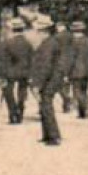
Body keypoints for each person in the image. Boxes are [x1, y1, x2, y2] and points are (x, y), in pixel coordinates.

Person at [29, 16, 67, 145]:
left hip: (50, 79)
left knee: (46, 105)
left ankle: (53, 136)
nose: (37, 34)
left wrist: (38, 83)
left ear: (44, 31)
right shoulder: (51, 42)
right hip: (52, 78)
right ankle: (47, 134)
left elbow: (45, 66)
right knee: (45, 105)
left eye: (38, 31)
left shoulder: (48, 44)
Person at [0, 17, 33, 125]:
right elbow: (31, 58)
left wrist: (2, 74)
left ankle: (13, 113)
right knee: (22, 92)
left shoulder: (7, 43)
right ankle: (20, 110)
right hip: (24, 72)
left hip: (10, 72)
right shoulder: (28, 43)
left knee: (8, 92)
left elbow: (3, 60)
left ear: (12, 29)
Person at [65, 22, 88, 119]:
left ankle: (83, 111)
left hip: (75, 70)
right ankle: (83, 110)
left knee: (77, 91)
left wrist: (66, 72)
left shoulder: (71, 43)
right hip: (87, 71)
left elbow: (69, 58)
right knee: (84, 90)